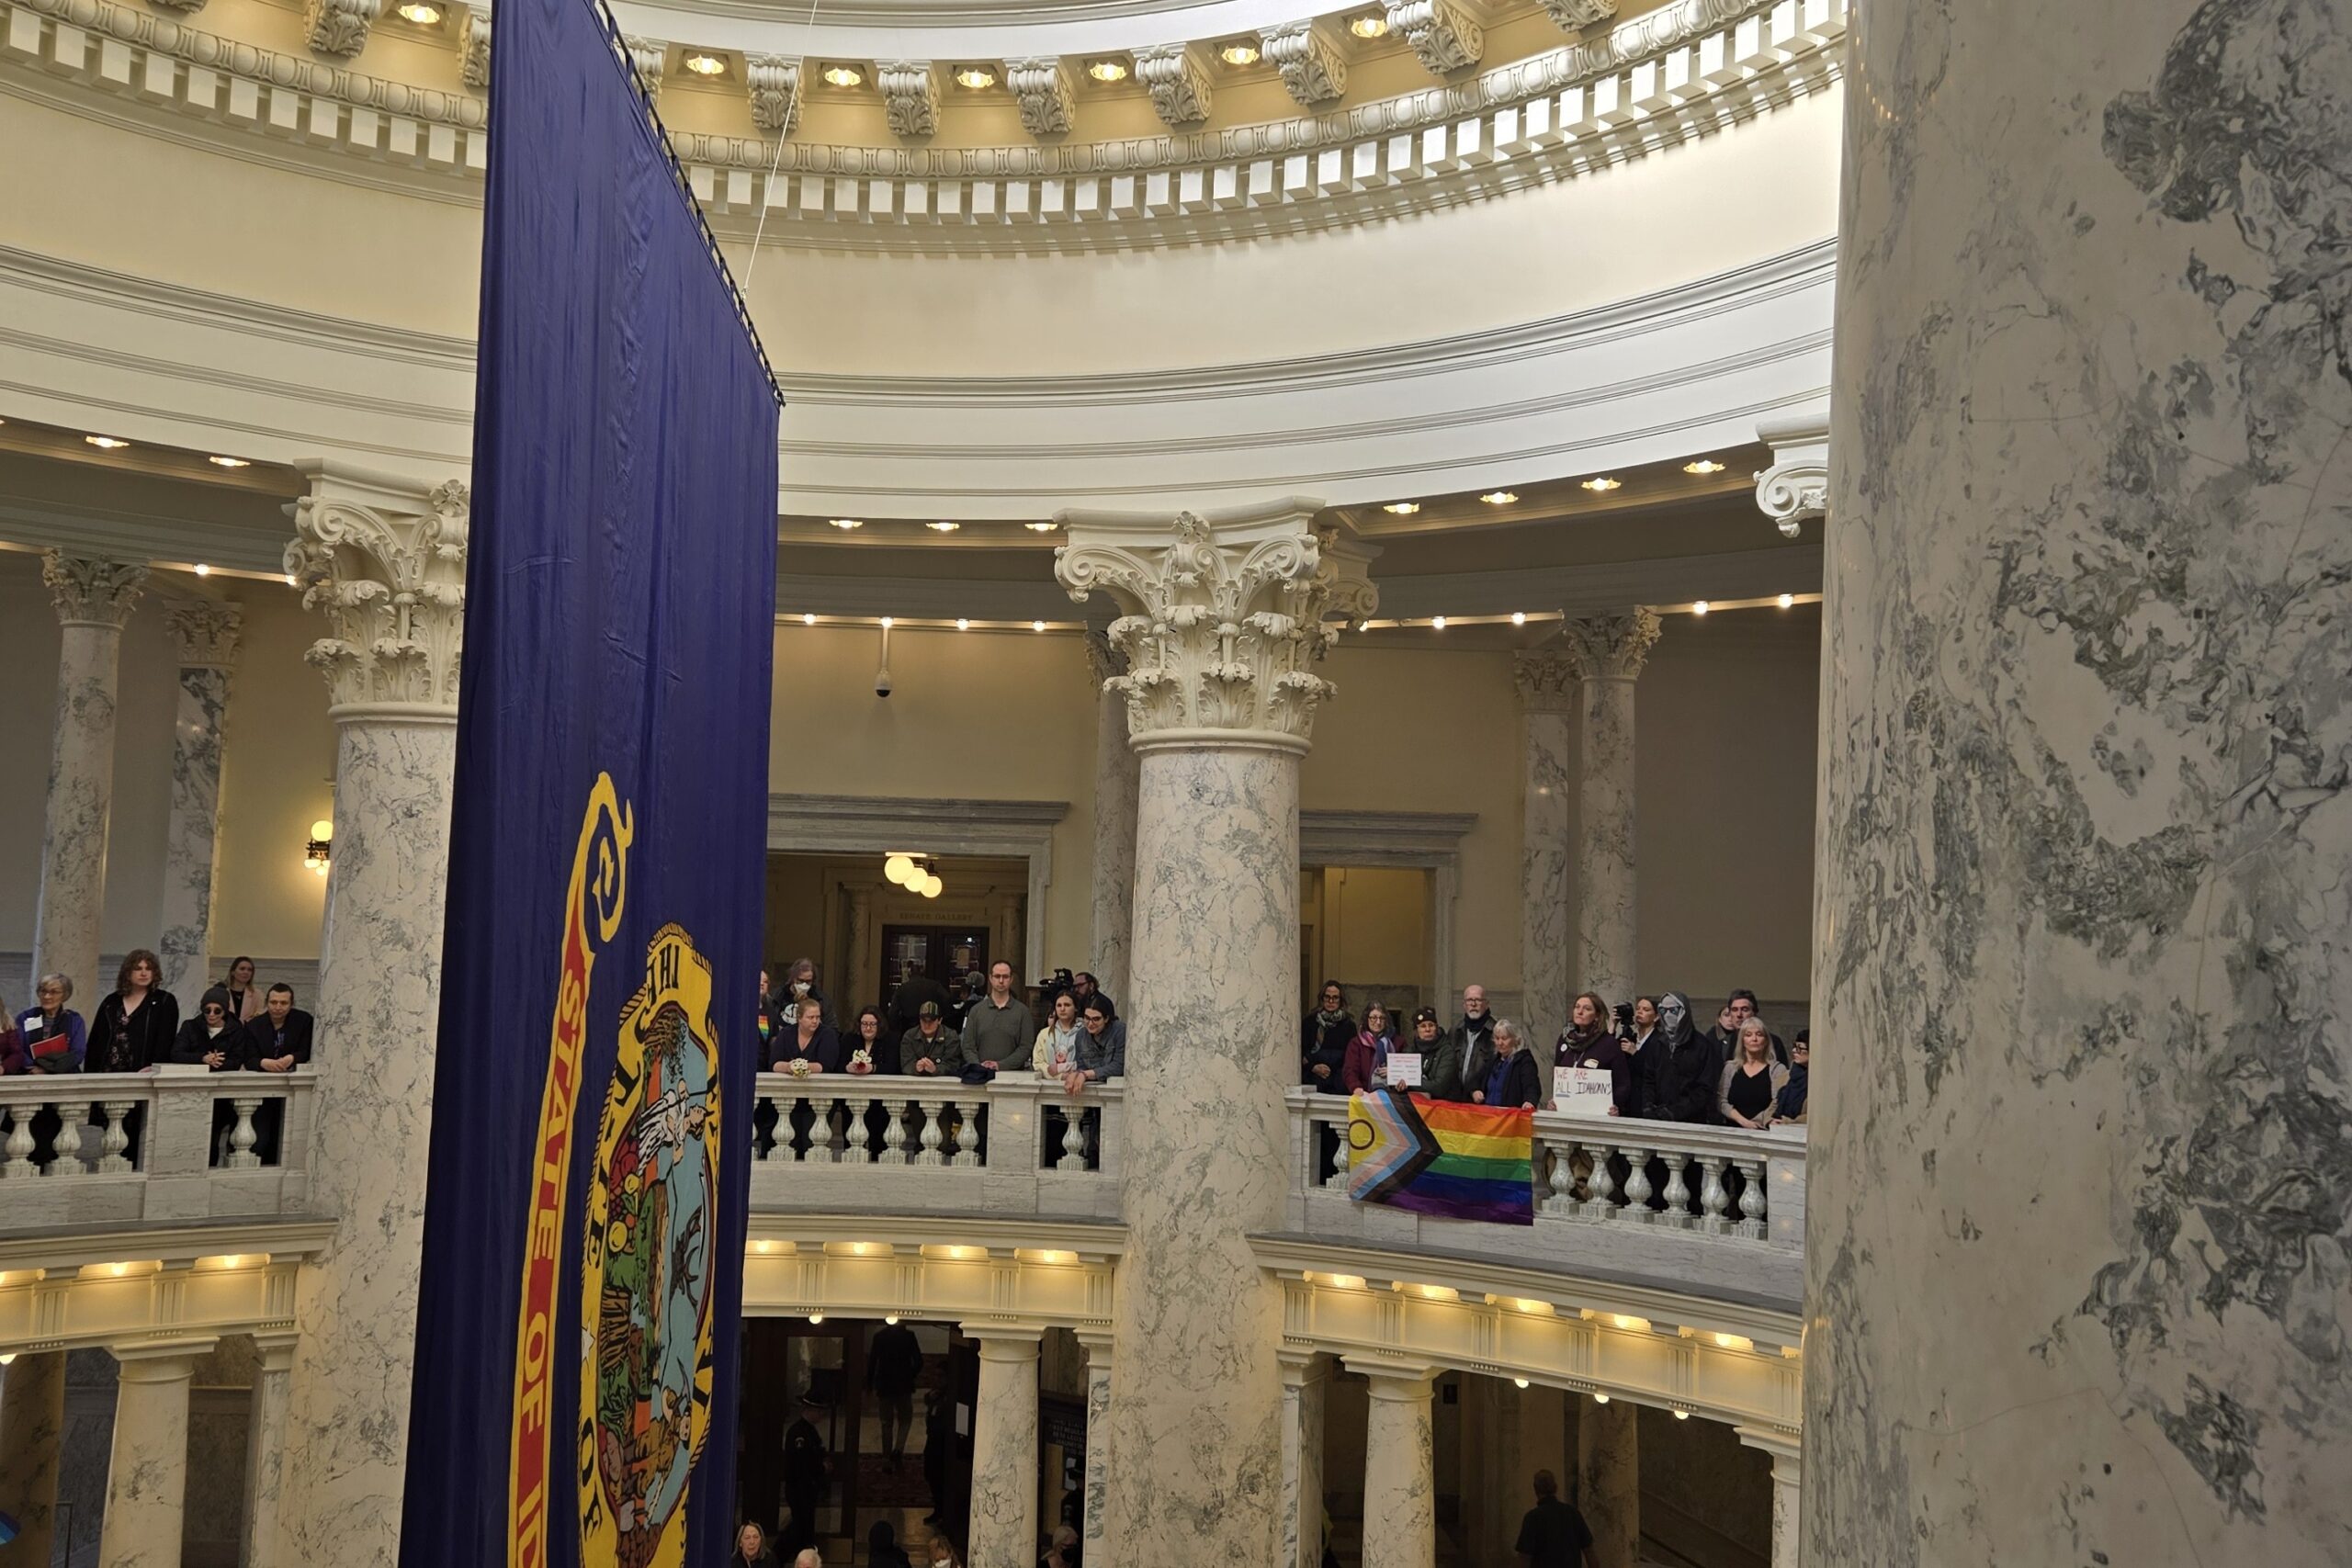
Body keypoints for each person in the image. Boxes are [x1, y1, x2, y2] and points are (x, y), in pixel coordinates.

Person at [89, 949, 177, 1074]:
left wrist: (157, 1067)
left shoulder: (164, 1001)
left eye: (149, 969)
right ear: (127, 972)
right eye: (138, 968)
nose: (144, 973)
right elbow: (96, 1040)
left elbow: (166, 1039)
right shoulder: (111, 1002)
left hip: (144, 1073)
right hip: (107, 1073)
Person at [1551, 992, 1636, 1115]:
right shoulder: (1565, 1039)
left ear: (1597, 1016)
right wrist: (1555, 1100)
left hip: (1597, 1115)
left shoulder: (1608, 1043)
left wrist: (1615, 1105)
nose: (1580, 1012)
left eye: (1587, 1009)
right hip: (1565, 1112)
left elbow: (1622, 1083)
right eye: (1577, 1007)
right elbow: (1557, 1074)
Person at [1648, 992, 1724, 1125]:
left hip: (1690, 1122)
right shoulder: (1657, 1043)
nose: (1668, 1015)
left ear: (1684, 1012)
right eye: (1663, 1010)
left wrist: (1675, 1112)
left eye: (1673, 1010)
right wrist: (1648, 1107)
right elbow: (1648, 1079)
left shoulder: (1702, 1045)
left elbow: (1705, 1089)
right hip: (1657, 1120)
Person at [866, 1318, 924, 1467]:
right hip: (903, 1384)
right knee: (905, 1419)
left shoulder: (879, 1337)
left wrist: (868, 1384)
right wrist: (909, 1375)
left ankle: (886, 1456)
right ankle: (898, 1449)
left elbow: (872, 1362)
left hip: (885, 1384)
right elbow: (919, 1361)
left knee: (886, 1422)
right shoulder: (909, 1336)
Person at [1513, 1469, 1598, 1568]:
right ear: (1555, 1488)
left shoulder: (1532, 1518)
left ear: (1535, 1489)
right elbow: (1589, 1551)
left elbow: (1524, 1557)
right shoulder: (1573, 1513)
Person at [960, 961, 1032, 1072]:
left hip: (1012, 1078)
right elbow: (968, 1046)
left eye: (1005, 977)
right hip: (980, 1078)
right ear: (990, 978)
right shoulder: (976, 1011)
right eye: (997, 976)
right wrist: (978, 1067)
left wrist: (1001, 1065)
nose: (1001, 981)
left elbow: (1026, 1047)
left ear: (1011, 979)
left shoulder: (1023, 1012)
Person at [1718, 1017, 1791, 1129]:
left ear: (1766, 1040)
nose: (1754, 1039)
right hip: (1732, 1130)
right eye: (1748, 1035)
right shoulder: (1730, 1068)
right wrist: (1742, 1121)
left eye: (1759, 1034)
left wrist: (1758, 1122)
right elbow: (1721, 1101)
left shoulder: (1778, 1070)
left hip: (1763, 1130)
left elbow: (1778, 1102)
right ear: (1742, 1040)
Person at [9, 975, 85, 1074]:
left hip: (64, 1075)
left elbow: (78, 1053)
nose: (47, 996)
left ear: (65, 995)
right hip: (30, 1073)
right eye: (43, 991)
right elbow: (17, 1049)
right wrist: (33, 1067)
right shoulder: (25, 1017)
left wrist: (47, 1069)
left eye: (54, 992)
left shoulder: (74, 1020)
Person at [780, 1402, 828, 1555]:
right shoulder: (799, 1433)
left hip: (807, 1488)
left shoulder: (809, 1431)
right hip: (799, 1487)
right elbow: (802, 1463)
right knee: (801, 1526)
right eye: (820, 1412)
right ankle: (781, 1555)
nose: (822, 1416)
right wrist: (822, 1468)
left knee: (803, 1525)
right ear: (811, 1410)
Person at [170, 987, 251, 1070]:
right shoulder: (190, 1026)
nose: (211, 1014)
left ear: (225, 1011)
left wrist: (215, 1061)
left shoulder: (236, 1030)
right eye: (207, 1010)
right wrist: (202, 1058)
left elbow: (237, 1061)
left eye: (217, 1011)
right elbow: (176, 1054)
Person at [1467, 1018, 1541, 1110]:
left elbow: (1532, 1086)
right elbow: (1474, 1081)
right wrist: (1475, 1091)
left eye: (1504, 1038)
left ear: (1515, 1039)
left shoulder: (1524, 1061)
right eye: (1497, 1038)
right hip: (1489, 1115)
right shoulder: (1493, 1061)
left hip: (1510, 1118)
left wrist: (1530, 1102)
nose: (1500, 1043)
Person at [1393, 1005, 1463, 1100]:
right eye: (1422, 1026)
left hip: (1444, 1107)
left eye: (1431, 1025)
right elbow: (1400, 1079)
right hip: (1417, 1106)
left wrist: (1410, 1081)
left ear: (1436, 1028)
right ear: (1416, 1031)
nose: (1427, 1030)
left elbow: (1439, 1088)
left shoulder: (1447, 1051)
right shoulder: (1409, 1051)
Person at [243, 984, 312, 1072]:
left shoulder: (304, 1021)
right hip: (262, 1077)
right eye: (273, 1002)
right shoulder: (253, 1026)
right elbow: (249, 1059)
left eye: (284, 1003)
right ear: (266, 1003)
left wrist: (292, 1058)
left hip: (296, 1075)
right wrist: (263, 1063)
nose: (278, 1007)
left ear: (292, 1004)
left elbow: (307, 1051)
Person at [770, 995, 840, 1074]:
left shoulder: (828, 1035)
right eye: (811, 1017)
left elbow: (826, 1066)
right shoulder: (785, 1033)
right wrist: (789, 1067)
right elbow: (774, 1064)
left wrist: (801, 1067)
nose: (815, 1021)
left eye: (818, 1017)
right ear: (799, 1018)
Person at [1067, 997, 1124, 1092]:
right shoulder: (1081, 1035)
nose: (1090, 1023)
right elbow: (1081, 1066)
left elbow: (1118, 1066)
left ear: (1106, 1018)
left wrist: (1086, 1074)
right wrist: (1076, 1074)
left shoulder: (1119, 1031)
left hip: (1114, 1089)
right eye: (1087, 1018)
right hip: (1091, 1090)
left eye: (1096, 1019)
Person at [1301, 981, 1354, 1084]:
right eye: (1327, 997)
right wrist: (1313, 1067)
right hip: (1312, 1077)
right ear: (1322, 999)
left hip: (1338, 1080)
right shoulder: (1310, 1022)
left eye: (1335, 997)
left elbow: (1351, 1056)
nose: (1331, 1001)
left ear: (1341, 1000)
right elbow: (1301, 1052)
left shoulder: (1348, 1025)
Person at [902, 1002, 968, 1077]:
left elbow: (953, 1065)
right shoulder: (909, 1036)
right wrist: (915, 1068)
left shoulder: (951, 1037)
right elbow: (906, 1064)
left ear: (940, 1020)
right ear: (919, 1020)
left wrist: (935, 1069)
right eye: (924, 1020)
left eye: (931, 1021)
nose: (927, 1025)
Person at [888, 964, 951, 1042]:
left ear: (909, 975)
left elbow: (893, 1013)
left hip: (908, 1026)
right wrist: (942, 1016)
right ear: (923, 974)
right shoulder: (934, 986)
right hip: (931, 1024)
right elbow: (947, 999)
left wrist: (895, 1029)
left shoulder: (902, 989)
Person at [1031, 991, 1084, 1077]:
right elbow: (1037, 1063)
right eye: (1059, 1005)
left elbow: (1089, 1062)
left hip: (1076, 1083)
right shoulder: (1045, 1034)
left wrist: (1072, 1073)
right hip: (1050, 1085)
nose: (1062, 1009)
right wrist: (1059, 1076)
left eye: (1067, 1005)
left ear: (1076, 1008)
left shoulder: (1084, 1033)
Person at [1342, 1001, 1393, 1093]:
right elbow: (1350, 1070)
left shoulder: (1396, 1041)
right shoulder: (1356, 1043)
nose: (1378, 1022)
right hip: (1365, 1094)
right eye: (1374, 1018)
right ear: (1367, 1019)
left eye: (1382, 1018)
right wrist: (1355, 1087)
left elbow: (1403, 1069)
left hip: (1391, 1095)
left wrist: (1393, 1072)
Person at [1451, 984, 1496, 1077]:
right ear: (1464, 1004)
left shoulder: (1495, 1032)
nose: (1473, 1004)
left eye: (1478, 1000)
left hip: (1483, 1091)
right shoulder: (1455, 1031)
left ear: (1487, 1004)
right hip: (1456, 1091)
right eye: (1469, 1000)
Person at [844, 1005, 899, 1076]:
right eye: (864, 1023)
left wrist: (873, 1068)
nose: (868, 1028)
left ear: (879, 1025)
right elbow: (838, 1066)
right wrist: (848, 1068)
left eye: (872, 1024)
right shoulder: (849, 1038)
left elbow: (893, 1067)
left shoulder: (890, 1039)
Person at [1777, 1031, 1810, 1123]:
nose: (1794, 1051)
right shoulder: (1788, 1076)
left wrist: (1790, 1122)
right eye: (1794, 1046)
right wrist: (1769, 1120)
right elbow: (1774, 1104)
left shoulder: (1819, 1080)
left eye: (1799, 1048)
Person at [220, 955, 264, 1023]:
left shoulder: (257, 994)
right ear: (233, 972)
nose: (246, 972)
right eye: (242, 969)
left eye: (249, 970)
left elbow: (259, 1016)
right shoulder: (222, 992)